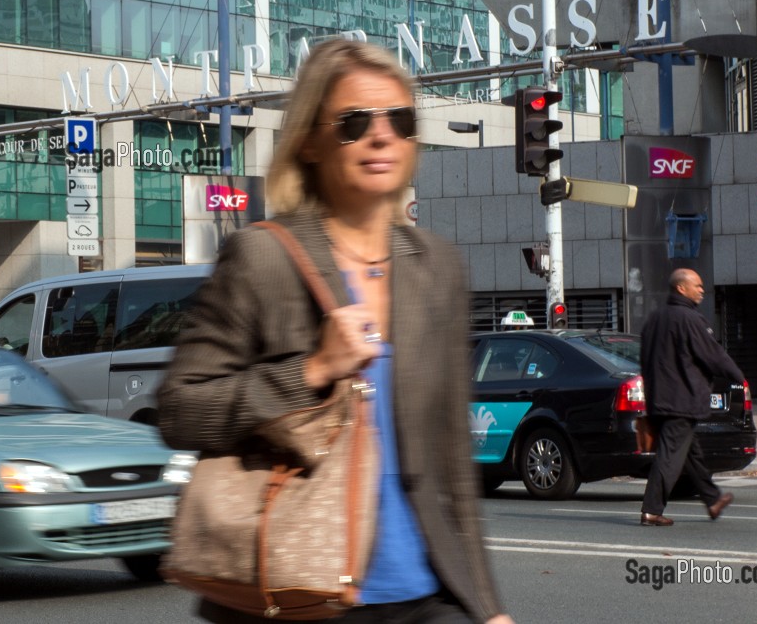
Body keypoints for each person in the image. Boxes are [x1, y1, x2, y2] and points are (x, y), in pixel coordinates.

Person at [158, 39, 512, 624]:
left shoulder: (437, 266)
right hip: (298, 594)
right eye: (354, 122)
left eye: (399, 119)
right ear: (311, 142)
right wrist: (311, 372)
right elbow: (180, 409)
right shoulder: (261, 258)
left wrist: (487, 606)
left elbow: (450, 456)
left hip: (424, 596)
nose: (381, 135)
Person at [638, 268, 743, 527]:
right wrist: (738, 378)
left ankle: (712, 500)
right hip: (681, 401)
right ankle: (651, 510)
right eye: (697, 285)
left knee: (690, 454)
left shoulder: (654, 319)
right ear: (681, 288)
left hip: (659, 400)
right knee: (670, 456)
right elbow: (713, 355)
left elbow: (644, 360)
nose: (702, 290)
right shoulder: (690, 319)